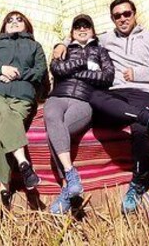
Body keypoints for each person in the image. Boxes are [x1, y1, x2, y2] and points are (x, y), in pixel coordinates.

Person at [53, 0, 149, 213]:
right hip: (115, 95)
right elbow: (81, 36)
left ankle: (137, 183)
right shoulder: (106, 39)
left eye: (127, 14)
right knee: (94, 97)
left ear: (135, 14)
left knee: (141, 129)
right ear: (112, 19)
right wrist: (61, 43)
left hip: (145, 93)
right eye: (117, 16)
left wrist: (138, 73)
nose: (123, 19)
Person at [44, 14, 115, 214]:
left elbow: (107, 77)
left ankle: (66, 189)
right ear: (72, 33)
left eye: (86, 26)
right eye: (77, 27)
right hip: (58, 96)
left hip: (85, 99)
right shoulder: (64, 49)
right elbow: (56, 68)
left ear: (93, 31)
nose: (82, 29)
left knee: (60, 131)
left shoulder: (100, 51)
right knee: (51, 118)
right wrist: (83, 64)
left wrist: (75, 71)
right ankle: (70, 174)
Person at [0, 10, 47, 202]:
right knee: (7, 115)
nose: (14, 22)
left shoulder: (35, 46)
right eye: (9, 20)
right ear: (4, 26)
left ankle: (3, 187)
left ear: (26, 25)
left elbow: (40, 72)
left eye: (19, 20)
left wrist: (16, 73)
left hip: (22, 97)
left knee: (5, 129)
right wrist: (0, 70)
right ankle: (24, 163)